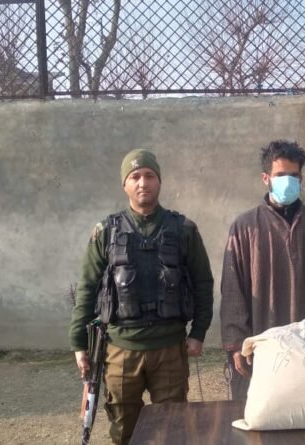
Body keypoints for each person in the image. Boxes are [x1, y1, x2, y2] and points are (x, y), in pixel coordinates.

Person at [68, 149, 214, 445]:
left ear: (159, 181)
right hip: (121, 350)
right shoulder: (105, 232)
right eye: (135, 176)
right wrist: (78, 342)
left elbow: (203, 283)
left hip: (170, 349)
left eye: (149, 175)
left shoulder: (183, 229)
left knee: (174, 429)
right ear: (124, 184)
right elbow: (87, 287)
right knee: (124, 431)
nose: (143, 182)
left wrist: (198, 332)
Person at [220, 140, 305, 400]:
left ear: (301, 178)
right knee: (265, 408)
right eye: (280, 175)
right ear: (266, 178)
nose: (288, 181)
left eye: (294, 175)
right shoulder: (245, 226)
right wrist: (236, 344)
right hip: (265, 338)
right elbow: (232, 289)